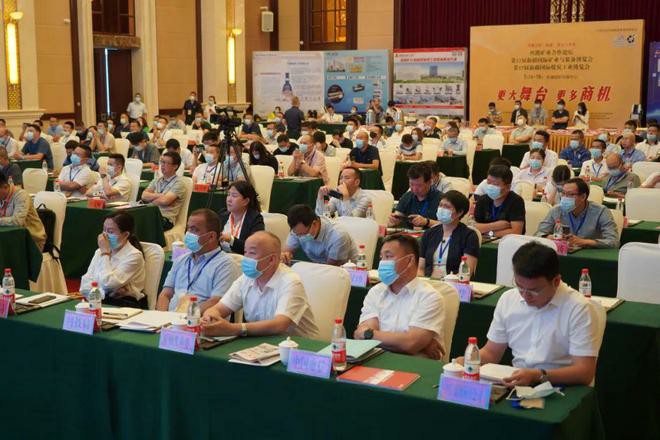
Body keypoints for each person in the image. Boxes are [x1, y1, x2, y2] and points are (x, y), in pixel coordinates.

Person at [457, 242, 600, 386]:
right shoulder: (509, 299)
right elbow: (491, 353)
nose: (525, 295)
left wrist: (538, 375)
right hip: (519, 383)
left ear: (556, 281)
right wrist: (465, 361)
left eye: (534, 290)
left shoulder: (579, 308)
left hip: (560, 386)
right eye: (519, 286)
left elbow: (584, 372)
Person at [200, 231, 319, 338]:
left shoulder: (291, 282)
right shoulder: (246, 278)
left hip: (300, 347)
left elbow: (279, 325)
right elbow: (218, 308)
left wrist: (232, 328)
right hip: (262, 342)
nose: (246, 258)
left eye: (252, 253)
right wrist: (209, 318)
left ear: (272, 259)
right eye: (245, 252)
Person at [354, 234, 446, 359]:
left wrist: (369, 335)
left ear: (410, 260)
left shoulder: (430, 297)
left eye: (388, 256)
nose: (382, 263)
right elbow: (364, 337)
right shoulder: (376, 292)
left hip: (413, 365)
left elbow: (410, 344)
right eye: (381, 257)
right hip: (378, 360)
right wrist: (420, 343)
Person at [157, 209, 240, 313]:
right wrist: (162, 317)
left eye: (194, 230)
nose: (188, 234)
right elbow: (165, 294)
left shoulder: (226, 265)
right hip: (171, 319)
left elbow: (216, 302)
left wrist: (185, 316)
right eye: (188, 228)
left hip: (200, 320)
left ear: (211, 236)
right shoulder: (181, 259)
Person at [80, 212, 147, 308]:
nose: (105, 236)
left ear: (125, 235)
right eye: (104, 230)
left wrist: (105, 254)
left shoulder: (134, 256)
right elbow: (84, 286)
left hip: (126, 306)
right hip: (99, 302)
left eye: (110, 232)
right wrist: (105, 292)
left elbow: (107, 283)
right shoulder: (99, 251)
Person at [536, 178, 618, 248]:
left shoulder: (601, 211)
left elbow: (613, 241)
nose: (565, 198)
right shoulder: (556, 210)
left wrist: (584, 242)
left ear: (583, 197)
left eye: (570, 194)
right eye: (563, 193)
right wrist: (550, 237)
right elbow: (538, 234)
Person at [419, 190, 479, 279]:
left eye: (447, 207)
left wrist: (449, 281)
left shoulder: (469, 236)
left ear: (459, 212)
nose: (442, 209)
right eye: (440, 205)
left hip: (454, 283)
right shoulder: (429, 233)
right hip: (429, 282)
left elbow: (466, 272)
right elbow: (420, 268)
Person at [283, 204, 358, 266]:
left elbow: (330, 269)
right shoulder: (298, 230)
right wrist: (285, 256)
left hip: (346, 272)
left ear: (314, 223)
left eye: (303, 234)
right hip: (319, 268)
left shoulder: (338, 236)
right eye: (297, 234)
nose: (300, 237)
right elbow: (286, 252)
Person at [474, 165, 525, 237]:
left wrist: (489, 233)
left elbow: (516, 231)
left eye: (495, 184)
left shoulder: (516, 201)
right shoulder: (482, 200)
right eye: (488, 182)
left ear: (508, 187)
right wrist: (497, 225)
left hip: (508, 240)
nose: (490, 187)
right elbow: (474, 228)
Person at [0, 173, 46, 251]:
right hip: (11, 238)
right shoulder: (2, 196)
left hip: (31, 240)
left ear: (4, 186)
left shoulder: (21, 195)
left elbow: (17, 221)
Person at [141, 151, 186, 231]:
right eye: (162, 162)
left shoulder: (179, 183)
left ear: (175, 166)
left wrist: (151, 199)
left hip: (165, 219)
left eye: (166, 163)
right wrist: (160, 195)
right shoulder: (157, 180)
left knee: (142, 225)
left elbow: (165, 201)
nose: (162, 165)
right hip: (151, 213)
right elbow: (143, 196)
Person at [389, 162, 441, 229]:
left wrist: (427, 222)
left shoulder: (441, 199)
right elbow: (398, 214)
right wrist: (394, 220)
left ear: (429, 182)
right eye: (411, 184)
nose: (414, 189)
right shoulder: (407, 196)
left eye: (419, 185)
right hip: (409, 234)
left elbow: (448, 225)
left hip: (432, 234)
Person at [218, 181, 265, 254]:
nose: (229, 199)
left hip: (242, 259)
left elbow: (254, 247)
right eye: (228, 194)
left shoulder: (255, 219)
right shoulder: (222, 215)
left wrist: (231, 240)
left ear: (246, 201)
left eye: (234, 196)